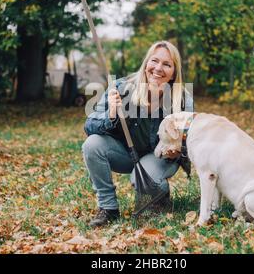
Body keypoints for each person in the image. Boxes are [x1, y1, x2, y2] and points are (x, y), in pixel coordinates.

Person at [82, 41, 193, 227]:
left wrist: (179, 150)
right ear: (146, 63)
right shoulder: (120, 88)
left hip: (159, 157)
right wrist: (110, 115)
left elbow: (190, 140)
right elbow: (89, 126)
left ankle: (159, 192)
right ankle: (108, 208)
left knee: (142, 180)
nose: (158, 68)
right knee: (92, 145)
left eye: (167, 64)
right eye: (154, 61)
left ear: (174, 72)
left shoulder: (181, 99)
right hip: (125, 153)